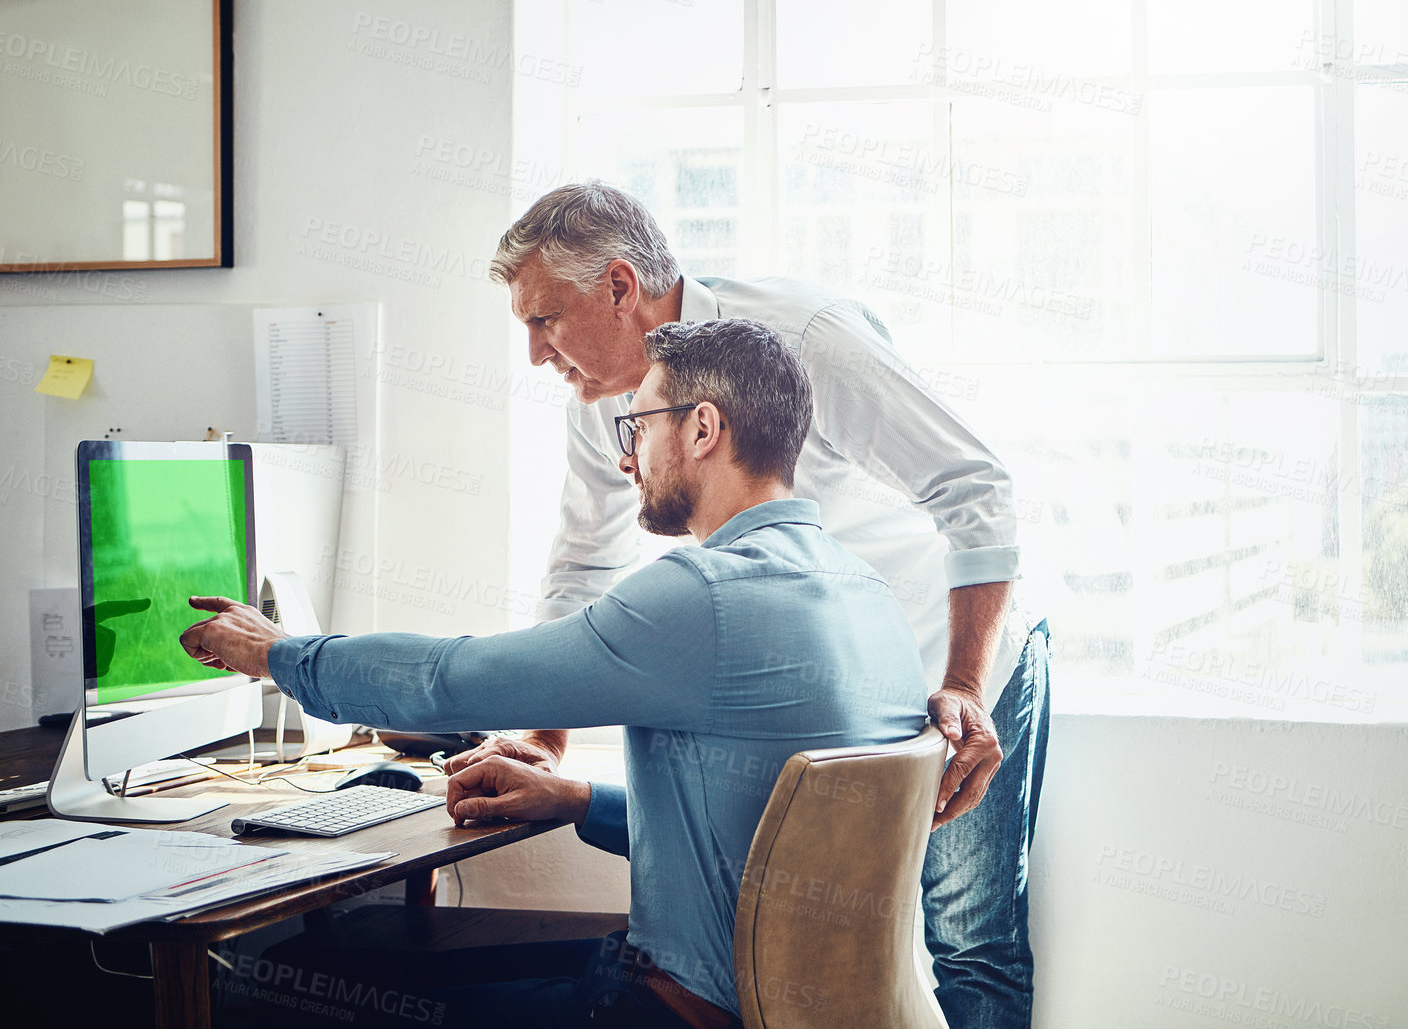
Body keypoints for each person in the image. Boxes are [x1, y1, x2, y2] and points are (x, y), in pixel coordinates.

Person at [180, 318, 928, 1028]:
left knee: (273, 986)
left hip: (669, 1009)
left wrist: (278, 652)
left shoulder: (700, 593)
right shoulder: (870, 596)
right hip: (784, 1005)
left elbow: (451, 678)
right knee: (360, 950)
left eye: (637, 424)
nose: (625, 456)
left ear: (702, 428)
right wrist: (574, 799)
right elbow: (776, 847)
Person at [454, 181, 1051, 1029]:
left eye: (544, 319)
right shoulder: (601, 403)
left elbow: (975, 487)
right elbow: (585, 561)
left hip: (950, 649)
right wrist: (545, 738)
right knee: (821, 932)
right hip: (828, 684)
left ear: (620, 287)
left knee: (966, 940)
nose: (535, 353)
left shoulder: (804, 338)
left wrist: (964, 680)